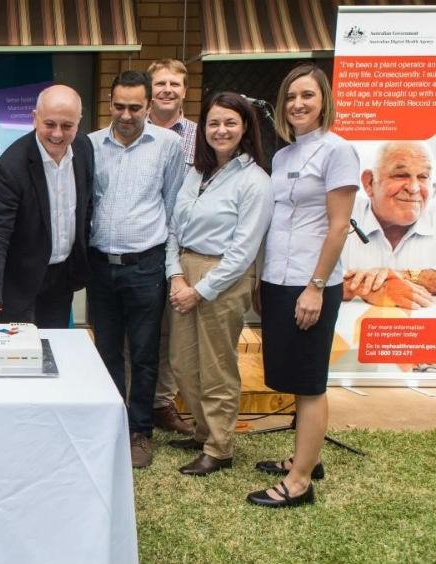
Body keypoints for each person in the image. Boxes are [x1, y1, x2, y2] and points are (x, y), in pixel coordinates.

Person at [247, 64, 359, 508]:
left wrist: (315, 286)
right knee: (292, 374)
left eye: (307, 95)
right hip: (279, 279)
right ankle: (304, 458)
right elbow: (277, 223)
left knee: (310, 381)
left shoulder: (339, 151)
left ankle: (299, 483)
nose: (298, 104)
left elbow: (337, 227)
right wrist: (263, 278)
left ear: (323, 100)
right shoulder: (283, 155)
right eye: (291, 96)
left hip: (312, 282)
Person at [165, 92, 273, 476]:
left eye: (230, 122)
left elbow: (244, 251)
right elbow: (173, 228)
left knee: (216, 367)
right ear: (203, 128)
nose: (221, 130)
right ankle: (202, 429)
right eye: (213, 122)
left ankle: (219, 447)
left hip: (223, 278)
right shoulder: (196, 172)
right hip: (184, 269)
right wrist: (175, 275)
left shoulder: (254, 181)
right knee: (182, 362)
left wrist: (199, 290)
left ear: (245, 128)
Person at [87, 70, 186, 469]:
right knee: (107, 350)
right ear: (109, 103)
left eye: (135, 107)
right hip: (99, 265)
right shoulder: (90, 144)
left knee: (145, 353)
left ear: (149, 106)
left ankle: (139, 431)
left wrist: (172, 267)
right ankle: (113, 424)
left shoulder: (169, 145)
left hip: (146, 264)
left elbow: (174, 208)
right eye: (119, 106)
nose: (126, 115)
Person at [0, 85, 93, 327]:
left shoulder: (83, 148)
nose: (58, 134)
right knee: (20, 356)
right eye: (49, 124)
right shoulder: (11, 165)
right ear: (34, 118)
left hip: (62, 276)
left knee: (55, 350)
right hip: (21, 278)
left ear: (79, 122)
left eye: (67, 126)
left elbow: (85, 208)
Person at [147, 58, 198, 435]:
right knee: (138, 328)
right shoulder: (130, 130)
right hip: (142, 246)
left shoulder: (201, 135)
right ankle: (130, 399)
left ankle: (162, 403)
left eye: (174, 84)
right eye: (160, 83)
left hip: (184, 248)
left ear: (185, 90)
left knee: (170, 331)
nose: (167, 89)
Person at [341, 141, 435, 308]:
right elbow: (298, 276)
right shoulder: (340, 213)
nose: (413, 188)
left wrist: (405, 275)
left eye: (423, 177)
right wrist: (359, 286)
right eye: (400, 175)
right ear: (369, 183)